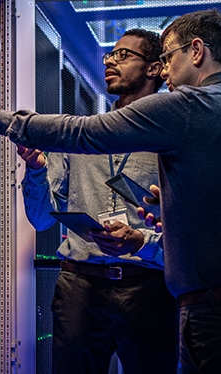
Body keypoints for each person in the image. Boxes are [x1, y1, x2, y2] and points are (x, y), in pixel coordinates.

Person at [0, 9, 221, 373]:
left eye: (168, 58)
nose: (166, 71)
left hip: (211, 311)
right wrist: (177, 211)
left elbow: (84, 134)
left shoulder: (189, 107)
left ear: (196, 51)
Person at [17, 29, 177, 374]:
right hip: (80, 286)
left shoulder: (171, 137)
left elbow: (189, 225)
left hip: (149, 287)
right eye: (109, 55)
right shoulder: (81, 134)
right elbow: (43, 219)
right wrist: (35, 170)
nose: (110, 62)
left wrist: (141, 241)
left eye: (123, 55)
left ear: (153, 69)